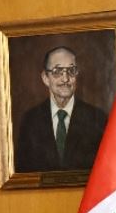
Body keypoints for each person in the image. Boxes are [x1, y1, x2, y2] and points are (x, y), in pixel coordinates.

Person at [14, 45, 108, 173]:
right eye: (57, 71)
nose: (65, 79)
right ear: (45, 78)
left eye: (71, 70)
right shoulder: (30, 121)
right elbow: (22, 174)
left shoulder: (97, 119)